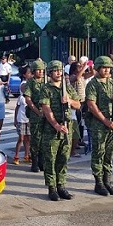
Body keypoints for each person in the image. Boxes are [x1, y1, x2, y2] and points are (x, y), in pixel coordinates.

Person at [39, 60, 80, 201]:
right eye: (55, 70)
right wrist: (55, 124)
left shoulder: (67, 87)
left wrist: (68, 100)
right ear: (50, 73)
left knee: (63, 158)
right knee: (50, 159)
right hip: (51, 129)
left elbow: (78, 104)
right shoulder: (46, 88)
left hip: (67, 127)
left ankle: (61, 186)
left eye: (60, 70)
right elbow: (46, 108)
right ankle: (52, 188)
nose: (58, 73)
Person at [84, 56, 113, 196]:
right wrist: (105, 121)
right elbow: (91, 105)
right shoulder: (93, 84)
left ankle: (107, 181)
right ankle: (99, 182)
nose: (106, 70)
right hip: (99, 123)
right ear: (98, 68)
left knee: (110, 153)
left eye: (108, 68)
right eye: (103, 68)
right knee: (99, 153)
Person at [24, 60, 47, 172]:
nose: (41, 72)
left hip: (46, 114)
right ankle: (34, 162)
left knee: (44, 138)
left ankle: (42, 162)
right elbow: (28, 99)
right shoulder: (31, 82)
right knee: (36, 139)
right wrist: (37, 111)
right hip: (35, 115)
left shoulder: (46, 81)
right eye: (38, 70)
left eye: (42, 70)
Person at [13, 82, 30, 165]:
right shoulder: (21, 98)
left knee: (28, 139)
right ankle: (16, 156)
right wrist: (15, 119)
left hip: (28, 120)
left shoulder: (30, 97)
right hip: (21, 119)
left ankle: (27, 155)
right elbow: (17, 108)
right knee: (21, 138)